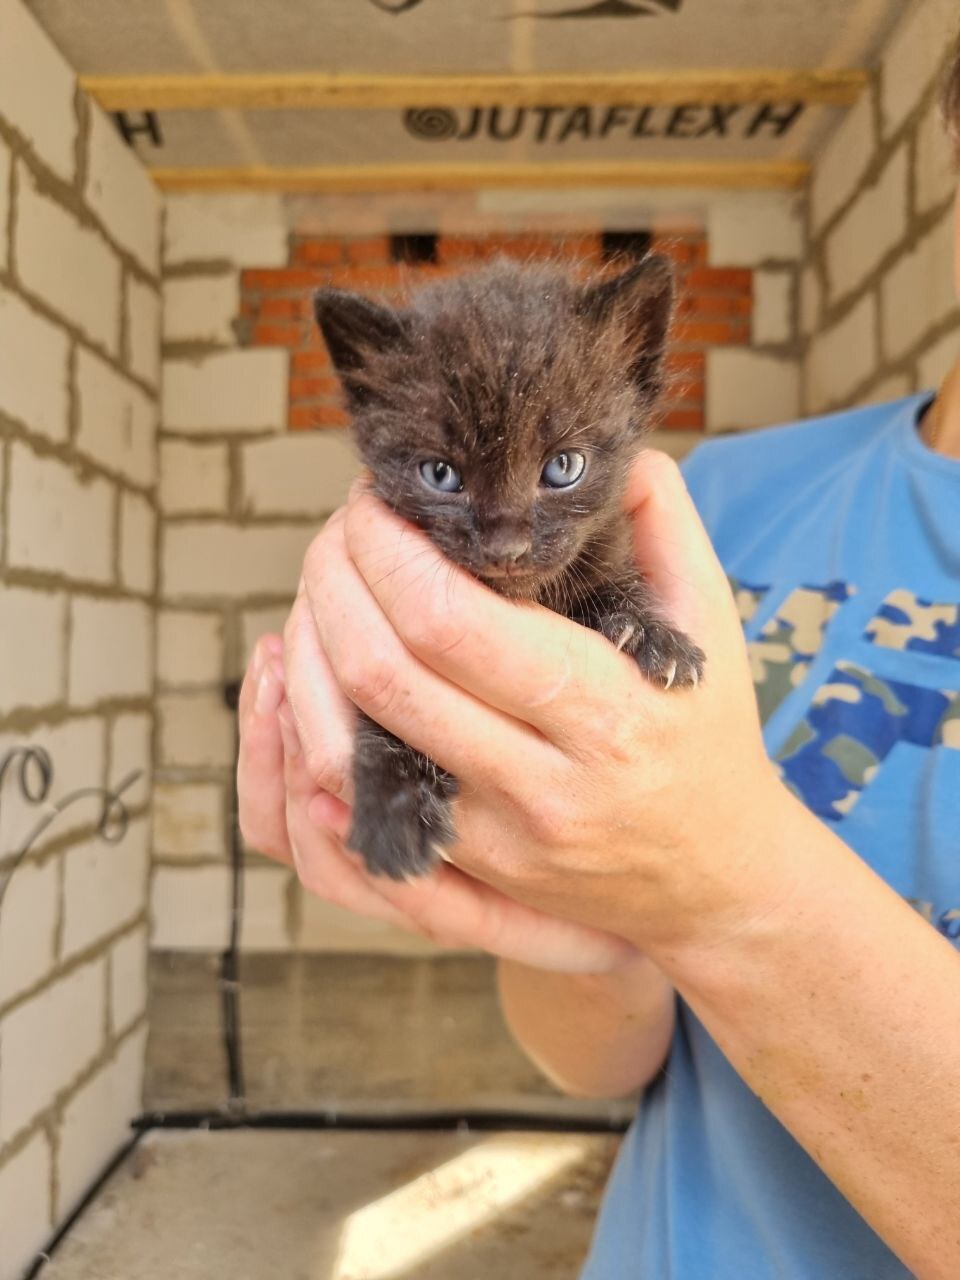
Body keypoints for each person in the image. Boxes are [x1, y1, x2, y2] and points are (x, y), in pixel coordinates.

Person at [237, 38, 960, 1280]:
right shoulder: (722, 503)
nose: (511, 534)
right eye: (450, 478)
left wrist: (715, 877)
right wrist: (569, 912)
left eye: (559, 473)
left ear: (627, 393)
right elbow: (597, 1048)